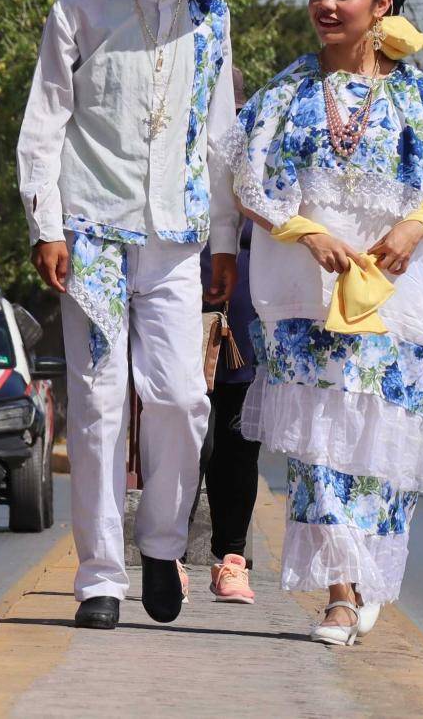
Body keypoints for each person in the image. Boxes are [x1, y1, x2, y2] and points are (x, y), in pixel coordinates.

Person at [230, 0, 423, 646]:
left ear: (382, 6)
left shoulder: (417, 94)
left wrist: (413, 226)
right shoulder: (284, 94)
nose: (326, 4)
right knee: (318, 444)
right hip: (308, 295)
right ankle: (340, 596)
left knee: (383, 442)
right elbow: (248, 186)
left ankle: (369, 575)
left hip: (398, 295)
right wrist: (307, 232)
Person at [16, 0, 249, 630]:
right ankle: (100, 578)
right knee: (99, 406)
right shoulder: (81, 10)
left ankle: (161, 541)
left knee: (183, 397)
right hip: (92, 233)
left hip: (178, 239)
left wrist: (225, 238)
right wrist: (45, 222)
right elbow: (45, 122)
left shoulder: (213, 17)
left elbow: (220, 137)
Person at [198, 213, 260, 605]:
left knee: (238, 447)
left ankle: (230, 560)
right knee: (188, 443)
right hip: (184, 312)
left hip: (247, 329)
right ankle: (168, 557)